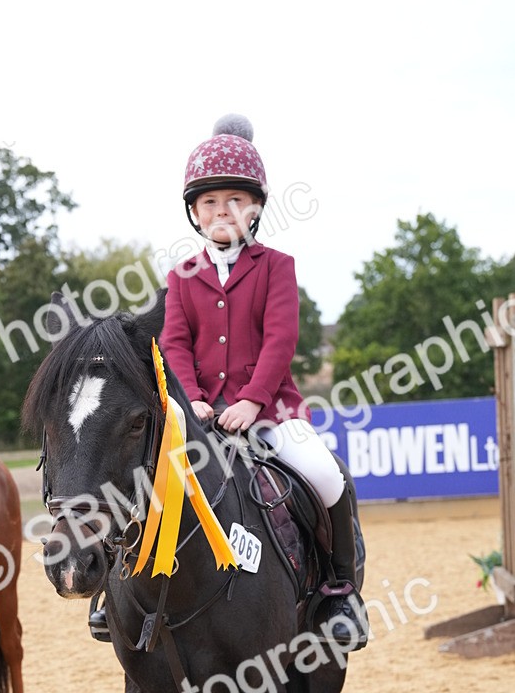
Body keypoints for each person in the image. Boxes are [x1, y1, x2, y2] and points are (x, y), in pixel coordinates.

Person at [156, 114, 369, 650]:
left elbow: (280, 340)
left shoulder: (277, 265)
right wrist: (195, 403)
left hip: (271, 412)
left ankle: (340, 592)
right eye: (209, 202)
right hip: (199, 415)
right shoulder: (179, 277)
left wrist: (252, 401)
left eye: (234, 200)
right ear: (194, 212)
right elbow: (174, 345)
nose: (221, 210)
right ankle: (119, 598)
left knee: (325, 475)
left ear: (255, 208)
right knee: (143, 483)